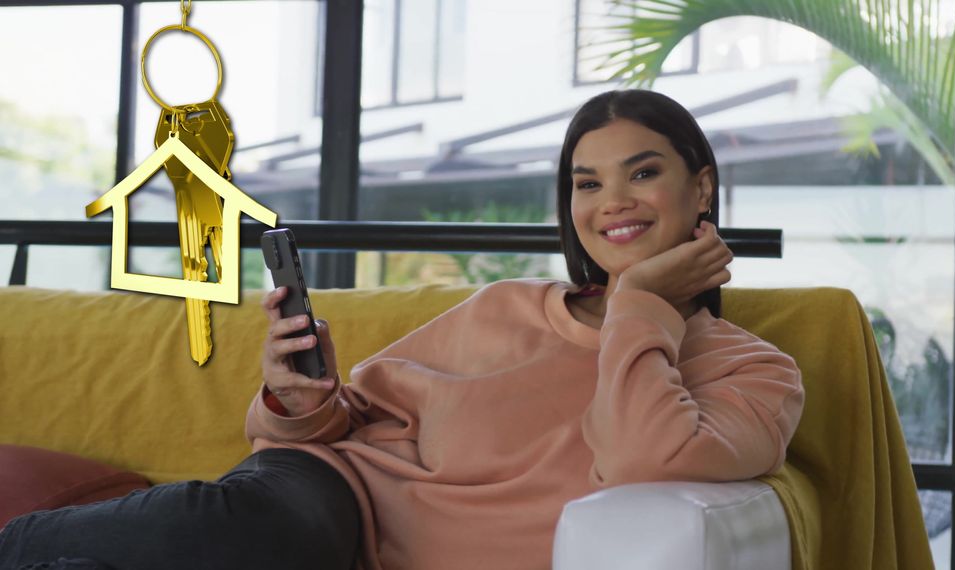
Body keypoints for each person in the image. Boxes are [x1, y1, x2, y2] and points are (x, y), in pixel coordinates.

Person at [0, 89, 803, 570]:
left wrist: (642, 307)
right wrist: (296, 398)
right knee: (247, 525)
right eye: (586, 182)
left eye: (643, 172)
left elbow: (640, 459)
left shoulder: (757, 375)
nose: (610, 202)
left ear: (702, 189)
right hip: (325, 501)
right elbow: (343, 421)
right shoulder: (505, 308)